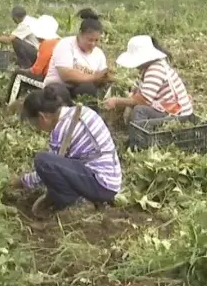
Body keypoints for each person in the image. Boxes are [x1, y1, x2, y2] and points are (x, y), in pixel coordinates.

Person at [8, 84, 122, 217]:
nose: (37, 128)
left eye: (35, 124)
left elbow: (47, 171)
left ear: (42, 117)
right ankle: (84, 197)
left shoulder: (62, 128)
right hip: (111, 180)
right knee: (53, 168)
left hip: (101, 182)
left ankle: (76, 203)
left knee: (43, 161)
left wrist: (21, 182)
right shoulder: (81, 111)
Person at [105, 35, 194, 127]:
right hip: (168, 109)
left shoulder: (155, 70)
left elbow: (143, 100)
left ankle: (139, 139)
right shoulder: (152, 67)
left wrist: (117, 101)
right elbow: (143, 90)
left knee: (140, 110)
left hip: (178, 116)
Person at [43, 8, 112, 107]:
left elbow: (100, 79)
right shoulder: (66, 44)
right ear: (80, 34)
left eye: (96, 40)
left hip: (79, 89)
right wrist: (93, 77)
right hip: (58, 85)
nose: (93, 44)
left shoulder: (99, 54)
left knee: (88, 90)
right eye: (90, 40)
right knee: (59, 94)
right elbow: (66, 75)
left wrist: (105, 78)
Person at [6, 14, 61, 105]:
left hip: (48, 80)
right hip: (59, 80)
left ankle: (9, 104)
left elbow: (36, 71)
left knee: (18, 75)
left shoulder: (47, 44)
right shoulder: (59, 41)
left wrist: (24, 70)